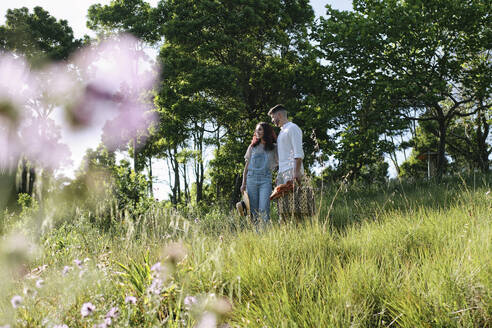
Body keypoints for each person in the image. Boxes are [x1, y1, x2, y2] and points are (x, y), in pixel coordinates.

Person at [240, 122, 278, 225]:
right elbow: (246, 167)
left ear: (266, 131)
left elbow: (281, 162)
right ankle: (256, 234)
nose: (257, 132)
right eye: (256, 130)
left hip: (265, 180)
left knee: (264, 208)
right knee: (253, 210)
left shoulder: (274, 148)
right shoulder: (252, 147)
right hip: (251, 180)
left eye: (260, 129)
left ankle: (264, 234)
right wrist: (243, 183)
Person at [268, 104, 304, 186]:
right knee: (284, 199)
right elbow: (283, 157)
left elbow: (298, 152)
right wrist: (279, 175)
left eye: (273, 117)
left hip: (292, 170)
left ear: (279, 115)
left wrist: (296, 172)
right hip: (283, 172)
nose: (272, 120)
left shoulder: (293, 128)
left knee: (295, 198)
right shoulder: (281, 132)